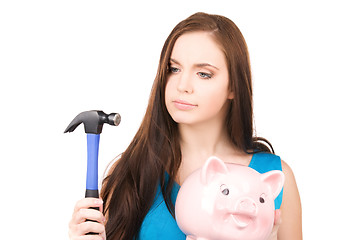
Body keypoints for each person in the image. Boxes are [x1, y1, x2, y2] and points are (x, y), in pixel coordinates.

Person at [68, 12, 302, 240]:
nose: (183, 85)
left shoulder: (275, 176)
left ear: (234, 87)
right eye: (174, 69)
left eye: (203, 74)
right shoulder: (130, 172)